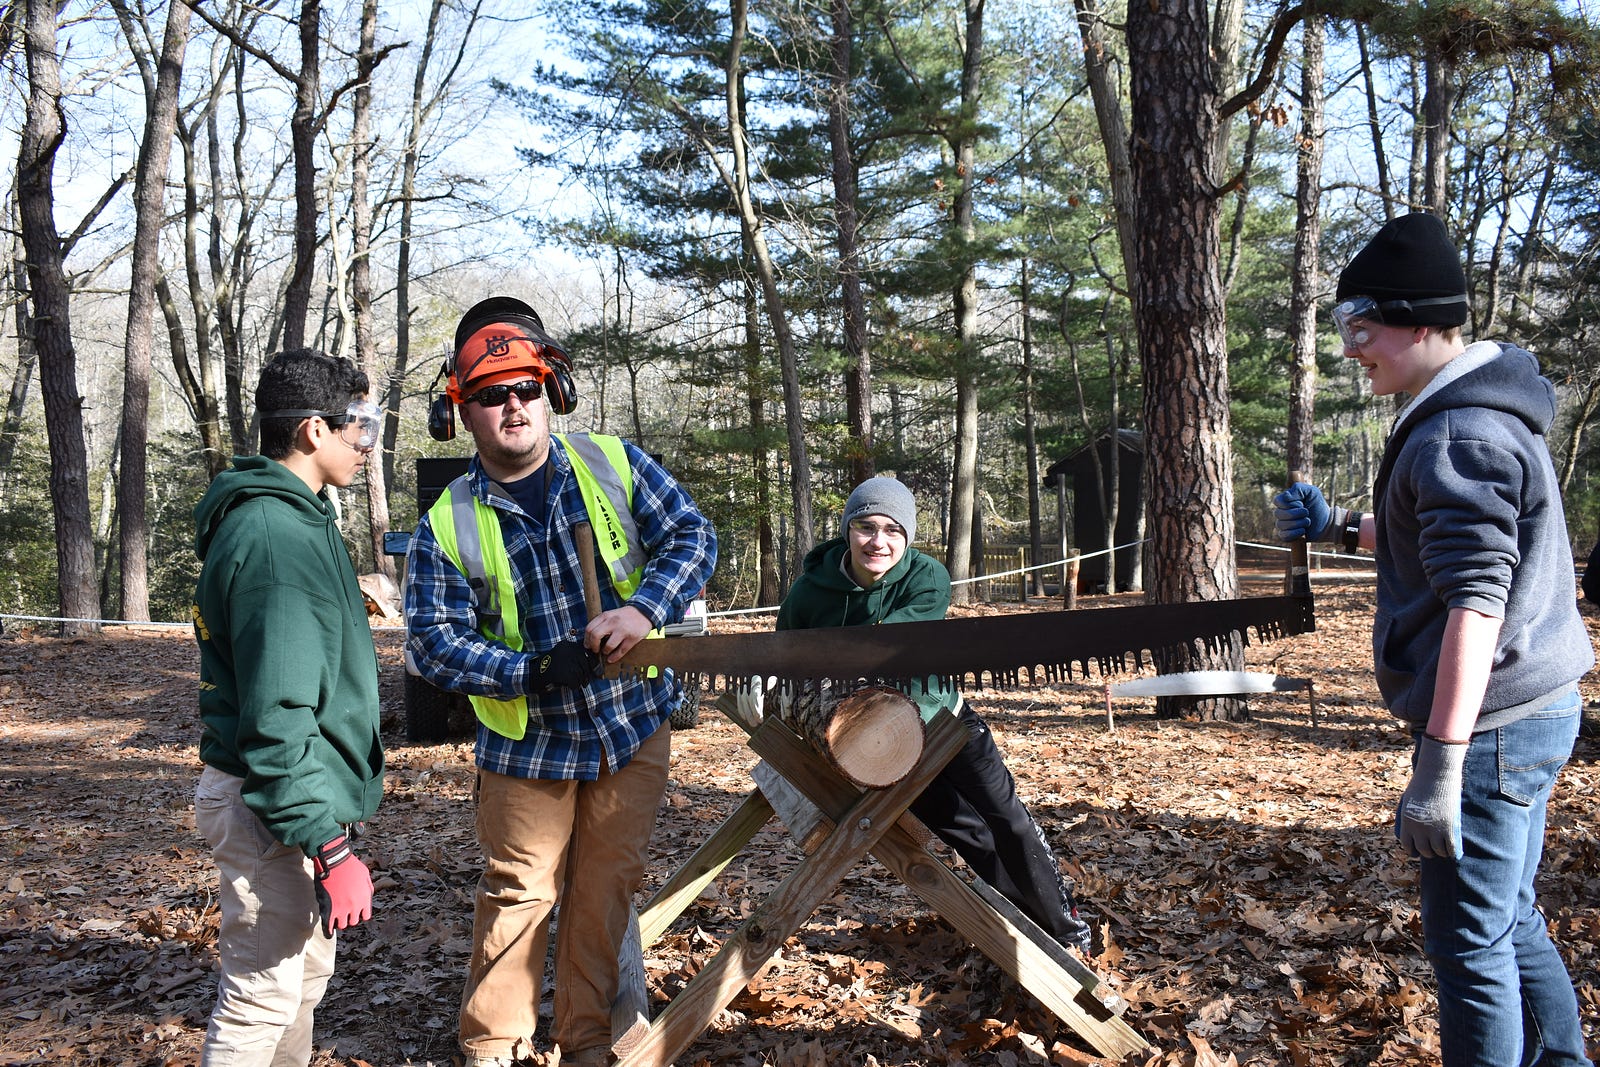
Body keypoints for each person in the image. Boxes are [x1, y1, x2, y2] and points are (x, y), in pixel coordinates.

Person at [1273, 213, 1594, 1067]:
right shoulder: (1478, 410)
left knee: (1469, 945)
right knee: (1510, 916)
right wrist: (1344, 527)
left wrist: (1443, 762)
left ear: (1418, 322)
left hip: (1490, 730)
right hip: (1529, 709)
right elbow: (1442, 537)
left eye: (1361, 328)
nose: (1351, 349)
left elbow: (1476, 603)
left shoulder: (1461, 430)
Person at [404, 297, 716, 1067]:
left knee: (605, 888)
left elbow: (692, 533)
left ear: (553, 393)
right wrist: (529, 671)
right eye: (490, 394)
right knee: (519, 895)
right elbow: (435, 645)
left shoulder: (610, 462)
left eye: (525, 388)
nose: (513, 406)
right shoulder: (446, 523)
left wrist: (644, 608)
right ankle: (494, 1046)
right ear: (461, 413)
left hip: (630, 723)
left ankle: (584, 1041)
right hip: (529, 745)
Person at [775, 476, 1094, 956]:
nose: (878, 542)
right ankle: (1024, 926)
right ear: (847, 530)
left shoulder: (927, 577)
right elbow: (784, 662)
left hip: (945, 722)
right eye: (865, 527)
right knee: (965, 832)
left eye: (892, 530)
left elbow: (892, 647)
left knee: (1008, 820)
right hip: (879, 747)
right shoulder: (809, 591)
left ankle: (1066, 931)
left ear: (908, 536)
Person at [191, 348, 386, 1065]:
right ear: (313, 430)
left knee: (302, 979)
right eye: (358, 426)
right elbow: (277, 722)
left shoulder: (298, 519)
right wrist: (330, 847)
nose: (367, 444)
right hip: (267, 801)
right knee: (260, 996)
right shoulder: (275, 538)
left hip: (284, 800)